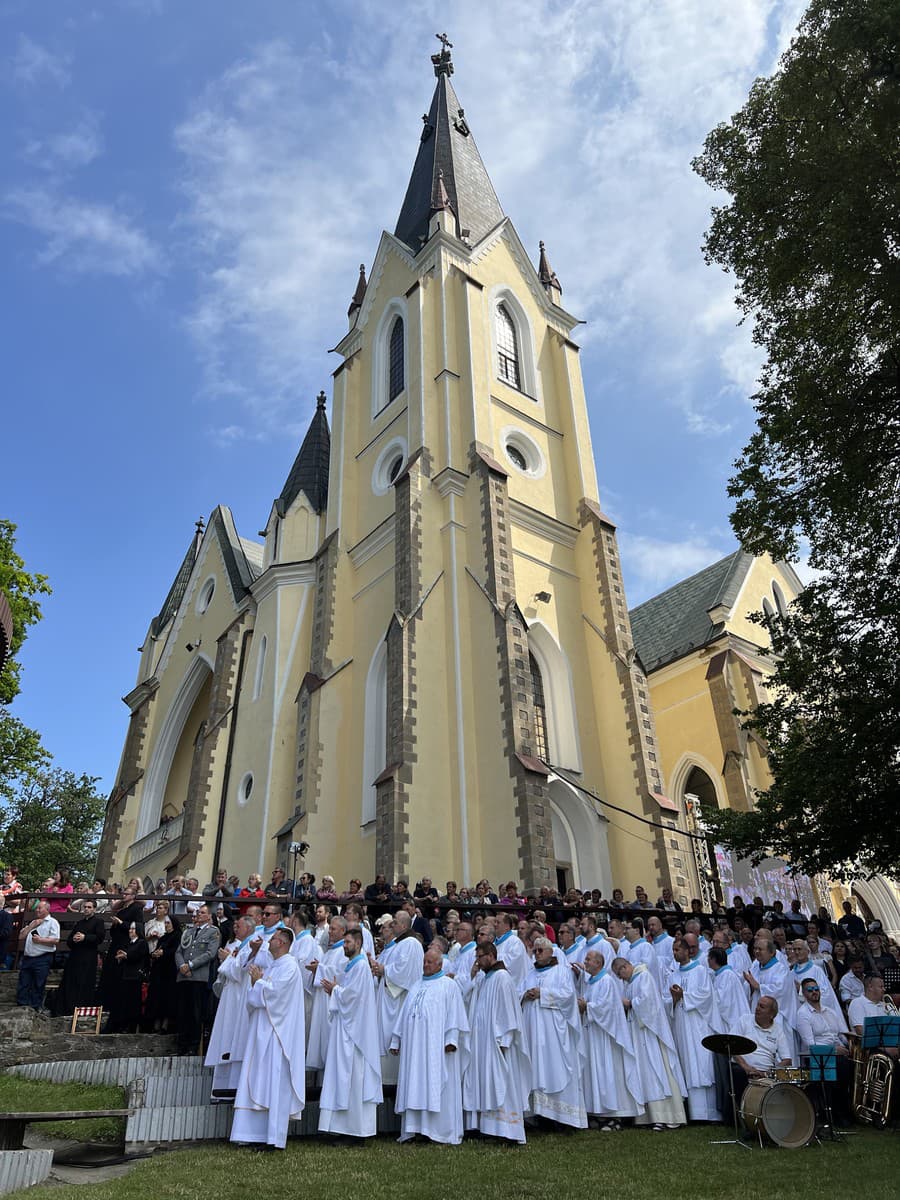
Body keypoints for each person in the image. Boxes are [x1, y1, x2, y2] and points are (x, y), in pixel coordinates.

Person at [231, 927, 306, 1149]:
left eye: (272, 938)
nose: (269, 941)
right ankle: (251, 1134)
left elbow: (275, 996)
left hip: (277, 1035)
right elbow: (258, 996)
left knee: (274, 1081)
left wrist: (258, 982)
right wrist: (258, 982)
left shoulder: (290, 967)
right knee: (257, 1079)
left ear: (282, 942)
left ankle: (273, 1138)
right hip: (263, 1030)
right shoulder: (275, 965)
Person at [390, 944, 469, 1144]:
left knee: (434, 1086)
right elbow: (403, 1015)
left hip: (436, 1049)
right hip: (413, 1049)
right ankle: (415, 1129)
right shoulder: (416, 985)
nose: (425, 965)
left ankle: (436, 1131)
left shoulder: (448, 985)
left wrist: (451, 1040)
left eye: (430, 962)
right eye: (424, 961)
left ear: (440, 964)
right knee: (414, 1083)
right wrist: (396, 1040)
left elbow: (454, 1015)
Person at [318, 928, 383, 1139]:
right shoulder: (352, 966)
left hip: (355, 1034)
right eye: (344, 942)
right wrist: (336, 990)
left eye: (347, 942)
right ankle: (339, 1127)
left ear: (358, 942)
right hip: (345, 1027)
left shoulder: (361, 967)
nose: (344, 946)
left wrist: (335, 990)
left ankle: (354, 1129)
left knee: (354, 1077)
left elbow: (354, 998)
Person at [463, 941, 530, 1143]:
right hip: (484, 1043)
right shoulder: (485, 978)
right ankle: (490, 1129)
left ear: (491, 955)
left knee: (503, 1083)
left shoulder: (502, 978)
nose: (477, 960)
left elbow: (508, 1012)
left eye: (480, 956)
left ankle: (508, 1131)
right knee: (488, 1083)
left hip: (499, 1043)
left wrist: (504, 1040)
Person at [519, 937, 588, 1130]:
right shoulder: (530, 973)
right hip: (533, 1029)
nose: (537, 954)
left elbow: (568, 996)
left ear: (551, 952)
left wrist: (544, 994)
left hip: (553, 1032)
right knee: (536, 1068)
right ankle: (539, 1115)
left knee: (554, 1067)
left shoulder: (561, 971)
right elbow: (518, 991)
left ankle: (561, 1117)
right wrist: (525, 995)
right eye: (535, 951)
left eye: (541, 950)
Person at [612, 957, 687, 1131]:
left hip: (649, 1034)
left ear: (625, 966)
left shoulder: (644, 976)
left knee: (656, 1071)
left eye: (620, 973)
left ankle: (666, 1115)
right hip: (638, 1034)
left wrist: (630, 1003)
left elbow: (648, 1002)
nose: (621, 978)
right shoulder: (632, 982)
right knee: (644, 1072)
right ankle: (648, 1116)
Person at [579, 948, 644, 1130]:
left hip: (606, 1037)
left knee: (607, 1072)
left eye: (589, 959)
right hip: (593, 1035)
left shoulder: (606, 981)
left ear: (599, 963)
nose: (585, 961)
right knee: (595, 1073)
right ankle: (598, 1113)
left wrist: (588, 1007)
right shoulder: (591, 982)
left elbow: (606, 1008)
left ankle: (614, 1116)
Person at [667, 933, 723, 1121]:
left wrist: (685, 996)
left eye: (678, 950)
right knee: (687, 1062)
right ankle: (693, 1112)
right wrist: (674, 1000)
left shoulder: (700, 971)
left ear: (687, 951)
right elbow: (666, 1000)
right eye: (673, 950)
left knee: (701, 1063)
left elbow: (706, 995)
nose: (675, 953)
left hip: (697, 1024)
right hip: (681, 1024)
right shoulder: (673, 974)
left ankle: (710, 1113)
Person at [205, 914, 257, 1097]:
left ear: (249, 928)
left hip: (238, 999)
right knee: (225, 1037)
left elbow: (237, 972)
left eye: (239, 926)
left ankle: (231, 1087)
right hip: (231, 997)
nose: (236, 929)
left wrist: (227, 959)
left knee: (232, 1038)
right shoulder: (241, 946)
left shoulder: (251, 947)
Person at [370, 911, 424, 1084]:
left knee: (391, 1040)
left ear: (403, 925)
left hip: (397, 1002)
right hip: (388, 1000)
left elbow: (404, 972)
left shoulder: (410, 943)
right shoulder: (400, 944)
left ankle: (391, 1083)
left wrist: (384, 970)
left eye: (394, 923)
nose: (391, 926)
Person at [795, 977, 852, 1124]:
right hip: (816, 1058)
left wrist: (849, 1046)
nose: (814, 992)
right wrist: (834, 1050)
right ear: (804, 993)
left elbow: (841, 1035)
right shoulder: (803, 1014)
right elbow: (810, 1044)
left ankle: (848, 1111)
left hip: (837, 1053)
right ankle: (839, 1114)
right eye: (810, 990)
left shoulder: (831, 1012)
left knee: (854, 1064)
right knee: (843, 1066)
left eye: (816, 989)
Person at [729, 996, 793, 1116]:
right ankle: (744, 1117)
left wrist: (767, 1073)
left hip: (766, 1072)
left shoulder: (778, 1030)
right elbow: (731, 1045)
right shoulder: (744, 1020)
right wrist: (746, 1067)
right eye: (758, 1005)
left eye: (762, 1007)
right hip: (743, 1069)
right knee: (737, 1073)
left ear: (771, 1014)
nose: (757, 1008)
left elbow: (787, 1060)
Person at [174, 903, 221, 1055]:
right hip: (183, 977)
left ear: (208, 916)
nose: (199, 915)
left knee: (195, 1013)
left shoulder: (213, 932)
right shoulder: (188, 931)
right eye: (198, 912)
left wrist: (191, 965)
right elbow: (179, 951)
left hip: (198, 977)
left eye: (202, 913)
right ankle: (181, 1044)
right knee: (182, 1012)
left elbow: (210, 953)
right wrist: (182, 965)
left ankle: (193, 1046)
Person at [306, 915, 348, 1073]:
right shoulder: (331, 950)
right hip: (322, 999)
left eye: (333, 929)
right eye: (330, 928)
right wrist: (319, 967)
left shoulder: (343, 951)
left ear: (343, 931)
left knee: (328, 1038)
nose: (330, 932)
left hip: (331, 1001)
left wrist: (320, 968)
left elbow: (339, 974)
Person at [55, 899, 105, 1015]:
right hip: (75, 957)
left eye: (89, 907)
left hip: (88, 958)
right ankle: (67, 1008)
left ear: (94, 909)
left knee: (84, 983)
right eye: (85, 907)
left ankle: (80, 1009)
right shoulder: (79, 923)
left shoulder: (98, 922)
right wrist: (74, 939)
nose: (86, 909)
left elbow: (99, 938)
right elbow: (69, 941)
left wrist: (85, 937)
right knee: (71, 982)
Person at [16, 900, 60, 1011]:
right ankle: (22, 1005)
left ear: (47, 909)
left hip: (42, 958)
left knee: (38, 983)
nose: (37, 910)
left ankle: (35, 1006)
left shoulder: (52, 922)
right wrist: (31, 926)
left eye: (40, 908)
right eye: (37, 908)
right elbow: (20, 936)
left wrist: (41, 940)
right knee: (23, 982)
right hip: (28, 957)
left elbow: (56, 940)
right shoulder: (33, 922)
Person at [107, 921, 149, 1032]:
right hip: (125, 976)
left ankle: (131, 1026)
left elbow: (136, 955)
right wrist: (121, 956)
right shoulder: (128, 943)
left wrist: (125, 955)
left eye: (133, 929)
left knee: (133, 1004)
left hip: (135, 978)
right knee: (123, 1003)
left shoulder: (142, 942)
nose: (130, 931)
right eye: (130, 929)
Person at [145, 912, 181, 1032]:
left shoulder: (177, 935)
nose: (166, 925)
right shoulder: (164, 937)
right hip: (159, 971)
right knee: (157, 997)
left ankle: (165, 1024)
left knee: (167, 998)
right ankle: (156, 1023)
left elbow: (176, 951)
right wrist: (154, 954)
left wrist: (164, 953)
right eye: (165, 923)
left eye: (168, 923)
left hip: (170, 971)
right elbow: (157, 949)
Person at [494, 911, 528, 990]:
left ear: (507, 926)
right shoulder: (493, 944)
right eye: (494, 922)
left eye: (498, 922)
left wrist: (491, 961)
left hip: (511, 987)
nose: (495, 924)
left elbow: (512, 964)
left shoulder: (515, 942)